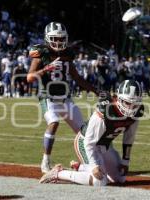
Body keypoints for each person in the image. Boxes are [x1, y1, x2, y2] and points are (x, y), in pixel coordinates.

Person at [39, 80, 144, 186]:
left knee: (120, 177)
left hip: (104, 146)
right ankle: (58, 173)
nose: (130, 108)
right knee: (99, 181)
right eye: (127, 103)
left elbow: (129, 137)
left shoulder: (137, 112)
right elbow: (89, 142)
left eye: (135, 104)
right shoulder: (107, 109)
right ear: (119, 98)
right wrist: (94, 166)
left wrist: (125, 161)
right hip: (85, 143)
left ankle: (80, 167)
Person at [27, 22, 98, 173]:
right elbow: (29, 78)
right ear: (47, 39)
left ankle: (89, 162)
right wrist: (46, 68)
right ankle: (45, 161)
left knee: (84, 131)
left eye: (61, 39)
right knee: (54, 122)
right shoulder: (41, 54)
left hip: (65, 98)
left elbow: (77, 78)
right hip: (48, 97)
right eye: (55, 39)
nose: (58, 42)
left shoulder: (67, 54)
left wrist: (97, 91)